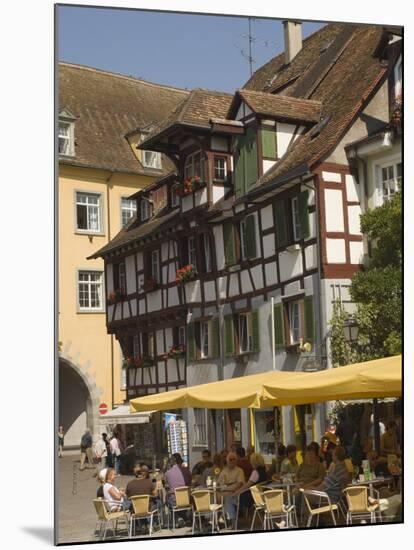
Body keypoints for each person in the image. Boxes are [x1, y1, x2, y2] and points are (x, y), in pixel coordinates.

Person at [217, 452, 245, 529]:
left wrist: (227, 489)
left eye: (234, 459)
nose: (232, 461)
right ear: (227, 460)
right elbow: (219, 483)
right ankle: (213, 520)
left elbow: (239, 484)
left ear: (236, 460)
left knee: (227, 499)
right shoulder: (224, 470)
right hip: (223, 492)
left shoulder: (239, 470)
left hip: (234, 493)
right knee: (212, 497)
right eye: (230, 459)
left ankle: (232, 522)